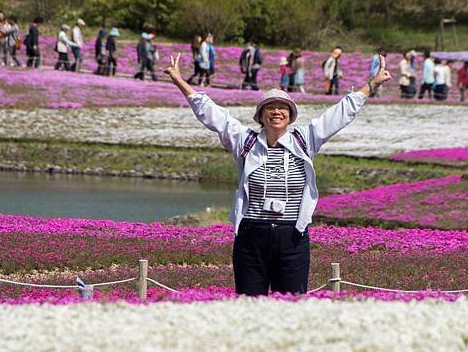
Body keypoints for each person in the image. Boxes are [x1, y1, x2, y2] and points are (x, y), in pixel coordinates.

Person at [163, 52, 392, 295]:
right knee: (249, 303)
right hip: (251, 236)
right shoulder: (245, 141)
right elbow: (212, 114)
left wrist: (371, 85)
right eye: (269, 108)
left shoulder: (304, 140)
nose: (276, 112)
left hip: (292, 236)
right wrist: (179, 81)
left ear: (290, 115)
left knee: (293, 304)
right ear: (261, 115)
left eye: (282, 108)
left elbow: (338, 115)